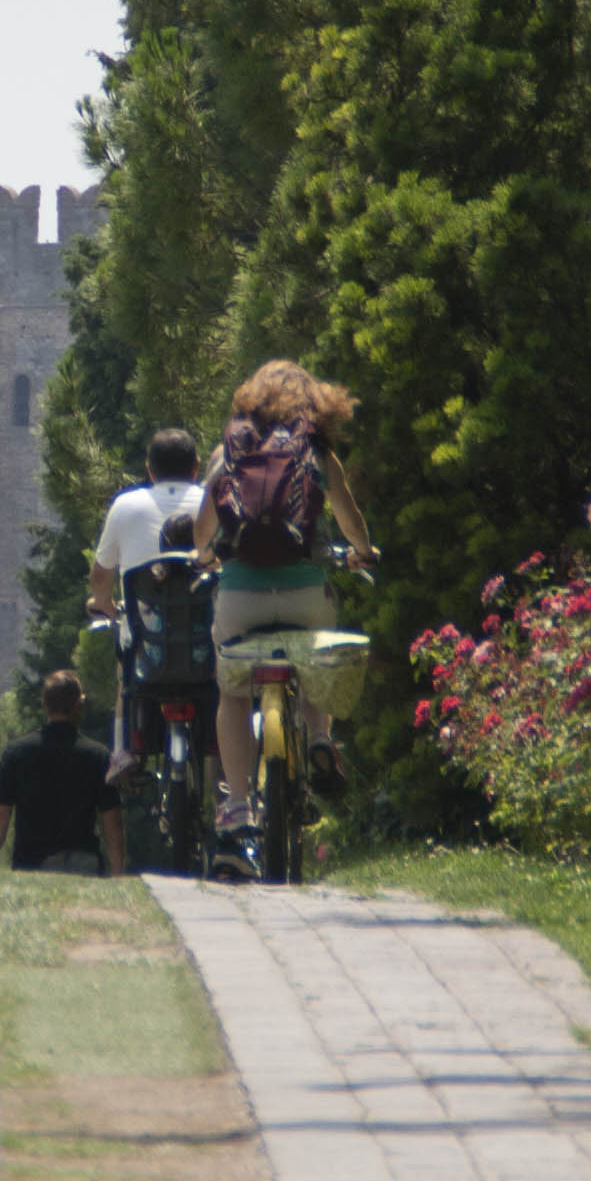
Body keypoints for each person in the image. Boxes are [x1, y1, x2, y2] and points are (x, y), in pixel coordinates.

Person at [201, 359, 376, 859]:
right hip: (304, 594)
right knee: (315, 659)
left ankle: (237, 801)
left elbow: (199, 533)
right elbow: (349, 520)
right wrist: (363, 550)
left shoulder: (229, 451)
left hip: (239, 598)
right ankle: (319, 737)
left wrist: (204, 555)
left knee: (232, 691)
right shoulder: (314, 450)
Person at [88, 427, 204, 779]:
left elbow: (100, 575)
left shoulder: (125, 506)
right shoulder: (213, 502)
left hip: (148, 653)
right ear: (196, 467)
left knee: (127, 661)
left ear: (149, 470)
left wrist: (103, 602)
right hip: (204, 647)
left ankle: (123, 750)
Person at [0, 670, 125, 876]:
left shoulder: (17, 752)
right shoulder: (98, 756)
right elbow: (112, 821)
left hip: (31, 863)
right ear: (78, 706)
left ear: (45, 706)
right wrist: (119, 871)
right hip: (84, 864)